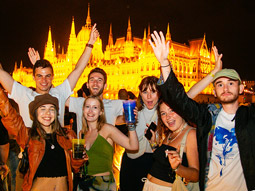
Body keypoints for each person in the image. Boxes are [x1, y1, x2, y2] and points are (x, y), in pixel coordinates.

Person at [149, 31, 254, 190]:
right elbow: (180, 100)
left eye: (230, 83)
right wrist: (164, 63)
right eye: (219, 84)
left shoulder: (251, 117)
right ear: (214, 92)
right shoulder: (207, 116)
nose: (225, 88)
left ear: (241, 88)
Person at [0, 24, 99, 128]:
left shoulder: (59, 93)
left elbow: (78, 69)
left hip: (58, 144)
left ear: (52, 77)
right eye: (39, 76)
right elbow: (1, 73)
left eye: (47, 76)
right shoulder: (24, 94)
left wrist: (90, 44)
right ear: (33, 78)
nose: (44, 80)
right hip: (33, 144)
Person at [0, 89, 87, 191]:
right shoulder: (28, 136)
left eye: (51, 109)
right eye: (42, 109)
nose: (47, 113)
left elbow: (75, 169)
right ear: (35, 113)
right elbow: (11, 117)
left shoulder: (67, 135)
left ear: (55, 113)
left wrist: (79, 159)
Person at [77, 96, 138, 190]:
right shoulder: (82, 133)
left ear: (101, 112)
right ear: (83, 109)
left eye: (95, 107)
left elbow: (133, 146)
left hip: (103, 184)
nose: (90, 111)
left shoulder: (107, 129)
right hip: (83, 183)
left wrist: (131, 125)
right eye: (87, 106)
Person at [142, 100, 199, 190]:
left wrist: (177, 168)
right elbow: (162, 160)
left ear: (181, 110)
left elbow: (196, 175)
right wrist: (153, 143)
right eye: (163, 113)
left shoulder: (191, 133)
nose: (168, 117)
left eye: (172, 110)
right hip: (149, 186)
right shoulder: (170, 133)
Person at [120, 76, 160, 191]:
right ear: (140, 94)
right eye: (145, 92)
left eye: (153, 91)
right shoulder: (133, 112)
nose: (149, 96)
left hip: (154, 162)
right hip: (132, 161)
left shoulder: (165, 115)